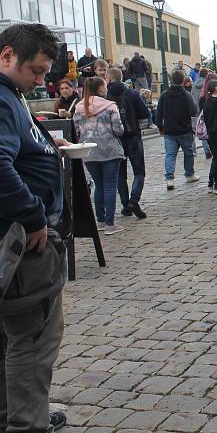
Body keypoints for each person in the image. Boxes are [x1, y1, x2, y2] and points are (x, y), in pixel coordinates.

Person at [0, 23, 69, 433]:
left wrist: (44, 144)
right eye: (36, 71)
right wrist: (33, 215)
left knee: (14, 338)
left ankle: (18, 416)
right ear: (7, 56)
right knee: (33, 338)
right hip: (19, 243)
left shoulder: (11, 96)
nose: (41, 80)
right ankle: (27, 423)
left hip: (15, 240)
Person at [73, 76, 126, 235]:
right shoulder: (110, 106)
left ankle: (101, 220)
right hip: (109, 149)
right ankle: (110, 223)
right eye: (105, 85)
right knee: (110, 186)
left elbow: (76, 131)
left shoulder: (78, 107)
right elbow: (118, 129)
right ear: (100, 88)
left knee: (99, 186)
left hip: (89, 150)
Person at [106, 67, 149, 219]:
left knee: (120, 174)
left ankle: (126, 206)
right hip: (133, 136)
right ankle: (134, 200)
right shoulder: (132, 93)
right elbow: (145, 113)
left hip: (114, 138)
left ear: (108, 79)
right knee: (139, 172)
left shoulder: (105, 95)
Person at [156, 70, 200, 189]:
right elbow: (193, 111)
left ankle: (169, 179)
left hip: (169, 130)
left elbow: (158, 113)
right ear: (183, 81)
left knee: (170, 155)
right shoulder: (186, 95)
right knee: (188, 153)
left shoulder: (164, 95)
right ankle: (189, 174)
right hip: (184, 129)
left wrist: (160, 126)